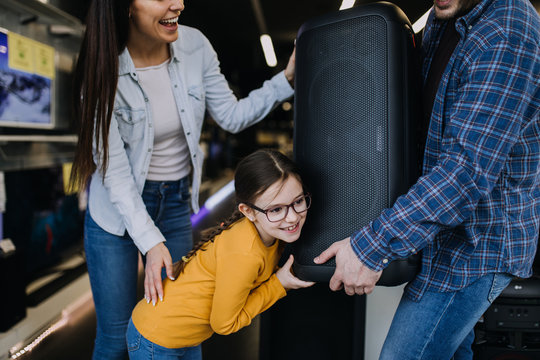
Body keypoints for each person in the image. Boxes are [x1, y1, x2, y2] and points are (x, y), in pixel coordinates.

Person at [70, 0, 296, 358]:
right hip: (115, 213)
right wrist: (150, 242)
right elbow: (115, 174)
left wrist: (285, 81)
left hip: (174, 203)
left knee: (185, 328)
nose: (178, 3)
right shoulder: (101, 70)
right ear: (126, 6)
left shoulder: (194, 45)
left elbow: (232, 116)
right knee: (114, 337)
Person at [314, 0, 539, 359]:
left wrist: (372, 246)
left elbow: (465, 172)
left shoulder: (507, 28)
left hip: (477, 243)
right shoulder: (443, 17)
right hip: (443, 234)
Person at [125, 149, 315, 359]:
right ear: (248, 211)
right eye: (276, 210)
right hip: (155, 340)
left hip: (181, 337)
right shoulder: (245, 253)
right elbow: (224, 324)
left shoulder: (268, 232)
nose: (292, 218)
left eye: (298, 201)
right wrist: (279, 284)